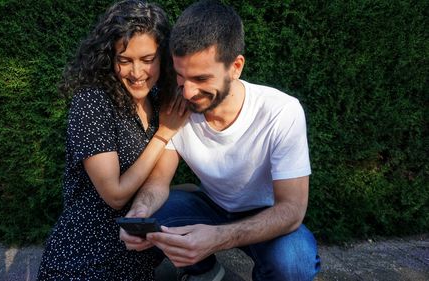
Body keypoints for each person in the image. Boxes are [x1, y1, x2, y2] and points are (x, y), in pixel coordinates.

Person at [120, 1, 321, 280]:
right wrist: (140, 214)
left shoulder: (281, 112)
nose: (188, 92)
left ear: (235, 67)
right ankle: (206, 272)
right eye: (180, 76)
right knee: (157, 220)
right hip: (209, 204)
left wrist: (217, 237)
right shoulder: (176, 107)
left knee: (294, 262)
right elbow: (158, 181)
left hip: (266, 213)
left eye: (201, 78)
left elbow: (292, 210)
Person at [36, 1, 188, 280]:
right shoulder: (92, 103)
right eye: (125, 60)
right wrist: (164, 134)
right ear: (110, 58)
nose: (137, 72)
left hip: (136, 254)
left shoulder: (159, 100)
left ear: (163, 57)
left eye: (147, 59)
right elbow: (115, 195)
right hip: (84, 256)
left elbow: (160, 177)